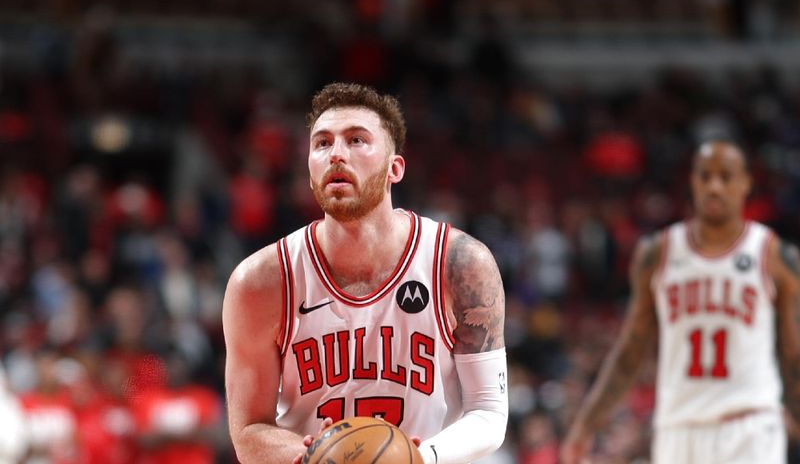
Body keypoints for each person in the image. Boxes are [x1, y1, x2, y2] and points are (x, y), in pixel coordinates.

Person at [223, 83, 508, 464]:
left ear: (395, 168)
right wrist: (324, 457)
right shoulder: (260, 282)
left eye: (357, 140)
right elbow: (247, 433)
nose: (336, 155)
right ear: (308, 170)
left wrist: (416, 459)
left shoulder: (458, 263)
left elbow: (489, 412)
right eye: (322, 144)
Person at [561, 139, 800, 464]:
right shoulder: (657, 254)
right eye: (705, 176)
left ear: (745, 183)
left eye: (726, 176)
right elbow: (631, 350)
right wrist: (587, 423)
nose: (714, 186)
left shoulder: (773, 255)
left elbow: (792, 354)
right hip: (678, 425)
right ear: (692, 182)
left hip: (750, 423)